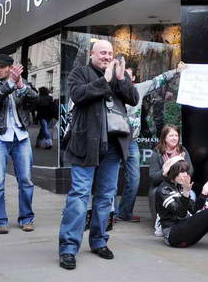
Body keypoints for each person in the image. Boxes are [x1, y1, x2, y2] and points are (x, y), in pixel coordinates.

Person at [58, 40, 139, 270]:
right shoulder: (80, 73)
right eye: (103, 52)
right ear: (91, 54)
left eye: (110, 53)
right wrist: (105, 80)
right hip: (85, 145)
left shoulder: (119, 75)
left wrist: (121, 79)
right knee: (79, 196)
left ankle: (99, 241)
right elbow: (78, 94)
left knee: (106, 196)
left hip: (113, 147)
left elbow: (133, 98)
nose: (107, 56)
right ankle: (68, 248)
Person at [115, 62, 184, 223]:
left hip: (132, 142)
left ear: (133, 78)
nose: (125, 78)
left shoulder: (138, 89)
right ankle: (109, 214)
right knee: (110, 179)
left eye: (128, 75)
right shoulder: (111, 91)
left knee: (134, 179)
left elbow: (157, 81)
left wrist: (176, 70)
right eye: (122, 75)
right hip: (114, 141)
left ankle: (124, 212)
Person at [0, 54, 38, 234]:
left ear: (9, 67)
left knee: (26, 180)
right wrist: (11, 83)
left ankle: (27, 218)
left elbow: (35, 99)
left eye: (1, 67)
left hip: (21, 137)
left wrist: (21, 85)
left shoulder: (20, 81)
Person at [148, 124, 193, 231]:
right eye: (171, 135)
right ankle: (161, 221)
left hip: (180, 185)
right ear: (164, 138)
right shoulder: (157, 152)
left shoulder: (183, 150)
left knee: (191, 194)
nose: (174, 138)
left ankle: (186, 220)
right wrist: (166, 171)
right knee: (155, 193)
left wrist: (180, 173)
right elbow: (153, 177)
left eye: (176, 135)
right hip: (162, 185)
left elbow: (190, 170)